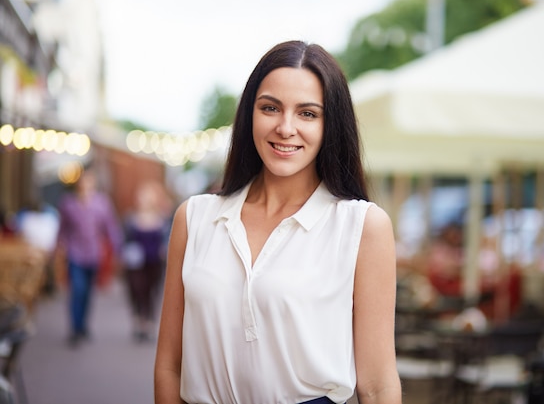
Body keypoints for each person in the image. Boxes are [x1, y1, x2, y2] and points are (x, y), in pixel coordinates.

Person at [154, 40, 401, 404]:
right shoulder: (194, 218)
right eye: (270, 108)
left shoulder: (362, 226)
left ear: (331, 125)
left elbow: (378, 385)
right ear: (249, 114)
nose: (286, 128)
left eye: (308, 113)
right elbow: (169, 366)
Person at [56, 167, 122, 347]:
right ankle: (75, 328)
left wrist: (117, 247)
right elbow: (62, 229)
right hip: (74, 253)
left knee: (87, 292)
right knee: (77, 289)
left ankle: (84, 324)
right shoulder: (68, 203)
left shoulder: (102, 203)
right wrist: (58, 246)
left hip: (94, 254)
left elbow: (110, 227)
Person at [121, 180, 171, 342]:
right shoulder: (131, 218)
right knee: (137, 289)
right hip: (135, 264)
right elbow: (125, 240)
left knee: (151, 291)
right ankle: (138, 319)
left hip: (154, 262)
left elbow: (166, 239)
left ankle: (148, 322)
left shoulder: (162, 219)